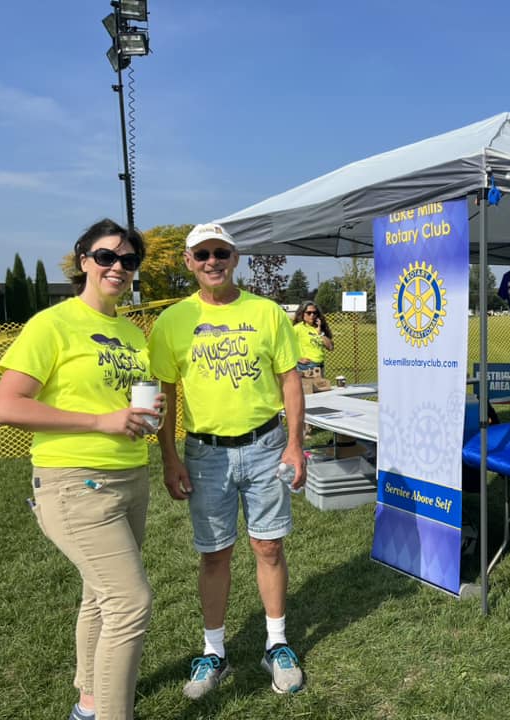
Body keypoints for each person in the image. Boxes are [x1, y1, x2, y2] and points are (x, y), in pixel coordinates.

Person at [0, 218, 163, 720]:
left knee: (100, 595)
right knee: (130, 602)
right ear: (83, 260)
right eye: (107, 256)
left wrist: (139, 416)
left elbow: (117, 400)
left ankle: (89, 702)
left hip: (130, 476)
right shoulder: (52, 324)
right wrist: (100, 421)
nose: (118, 267)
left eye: (128, 260)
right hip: (76, 483)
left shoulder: (130, 331)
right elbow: (7, 406)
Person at [148, 222, 308, 698]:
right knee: (215, 553)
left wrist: (295, 444)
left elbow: (290, 381)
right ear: (188, 262)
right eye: (202, 255)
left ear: (235, 258)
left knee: (269, 546)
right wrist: (169, 458)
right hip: (206, 453)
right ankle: (214, 651)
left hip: (265, 445)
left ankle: (276, 644)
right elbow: (165, 394)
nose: (212, 262)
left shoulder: (267, 312)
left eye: (220, 252)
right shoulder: (172, 321)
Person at [292, 300, 334, 374]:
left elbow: (330, 347)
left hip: (320, 365)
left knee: (320, 382)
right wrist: (297, 358)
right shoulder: (298, 328)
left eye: (314, 313)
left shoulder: (319, 327)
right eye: (309, 313)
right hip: (306, 366)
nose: (312, 315)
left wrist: (320, 333)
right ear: (302, 313)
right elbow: (285, 345)